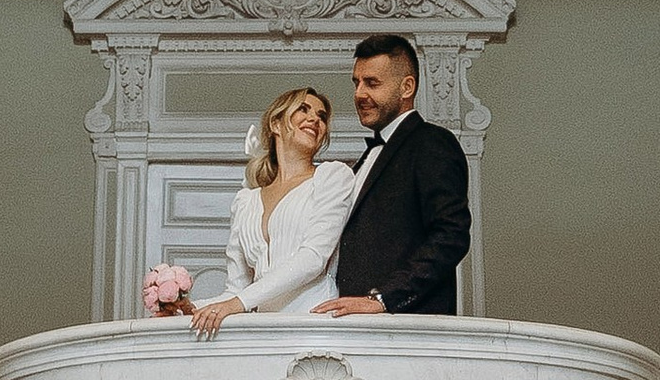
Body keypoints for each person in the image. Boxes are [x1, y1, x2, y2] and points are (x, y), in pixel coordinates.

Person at [321, 31, 472, 316]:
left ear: (407, 87)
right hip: (357, 332)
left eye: (372, 83)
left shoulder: (431, 143)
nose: (359, 94)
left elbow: (450, 236)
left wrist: (382, 298)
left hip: (406, 331)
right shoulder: (369, 156)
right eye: (356, 83)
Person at [187, 85, 356, 333]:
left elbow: (313, 258)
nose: (314, 119)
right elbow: (236, 289)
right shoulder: (246, 201)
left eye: (321, 116)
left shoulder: (332, 176)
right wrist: (188, 307)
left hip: (314, 322)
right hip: (263, 330)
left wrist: (238, 303)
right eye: (303, 109)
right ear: (276, 124)